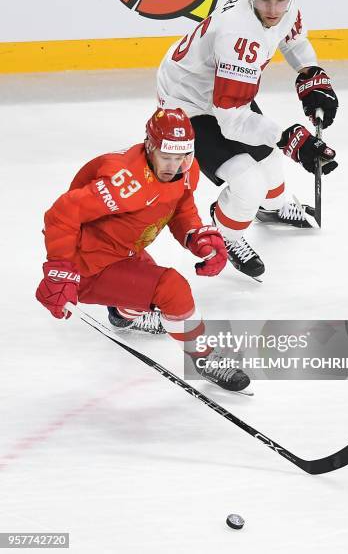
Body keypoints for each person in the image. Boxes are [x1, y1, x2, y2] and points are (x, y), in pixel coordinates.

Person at [35, 108, 250, 392]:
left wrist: (195, 236)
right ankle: (204, 358)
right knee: (172, 289)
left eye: (181, 157)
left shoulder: (187, 169)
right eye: (167, 157)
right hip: (90, 266)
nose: (173, 166)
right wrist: (60, 269)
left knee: (143, 288)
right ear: (149, 146)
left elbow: (180, 207)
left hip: (124, 250)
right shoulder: (123, 182)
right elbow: (62, 214)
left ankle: (122, 314)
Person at [157, 0, 339, 279]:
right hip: (186, 100)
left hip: (221, 89)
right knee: (247, 182)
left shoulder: (285, 8)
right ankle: (228, 233)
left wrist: (311, 75)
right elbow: (231, 121)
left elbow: (293, 40)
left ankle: (272, 207)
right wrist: (289, 138)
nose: (273, 9)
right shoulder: (238, 36)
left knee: (270, 162)